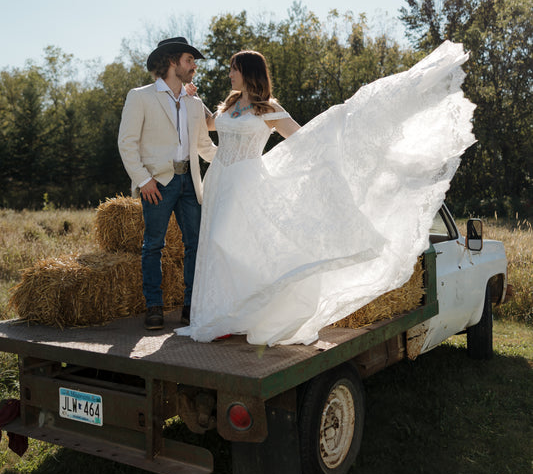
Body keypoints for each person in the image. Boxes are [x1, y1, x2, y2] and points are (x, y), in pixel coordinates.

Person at [175, 40, 476, 347]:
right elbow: (209, 125)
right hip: (219, 181)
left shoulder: (270, 109)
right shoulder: (228, 105)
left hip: (248, 185)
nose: (229, 74)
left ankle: (241, 313)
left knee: (232, 244)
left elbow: (302, 138)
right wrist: (192, 98)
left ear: (249, 73)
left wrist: (334, 130)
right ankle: (221, 315)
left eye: (234, 69)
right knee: (216, 246)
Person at [118, 37, 216, 330]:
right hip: (157, 184)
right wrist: (143, 180)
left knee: (195, 244)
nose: (194, 66)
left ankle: (190, 307)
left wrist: (236, 161)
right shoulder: (140, 96)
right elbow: (127, 143)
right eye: (189, 60)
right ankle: (154, 307)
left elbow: (204, 145)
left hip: (190, 183)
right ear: (172, 62)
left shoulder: (194, 103)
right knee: (153, 246)